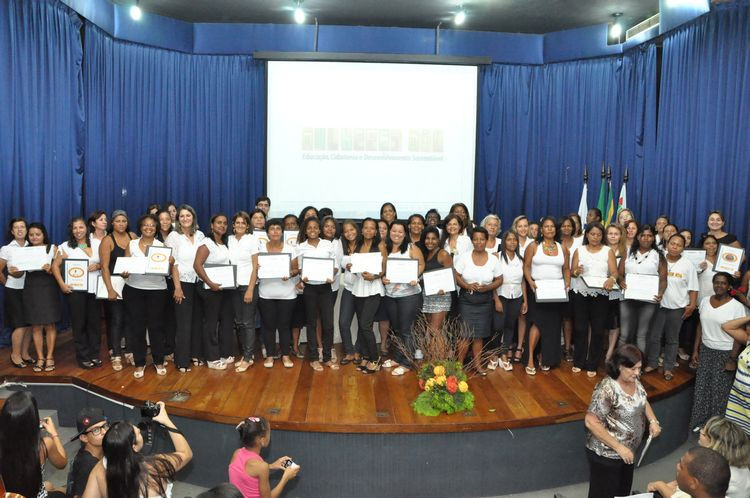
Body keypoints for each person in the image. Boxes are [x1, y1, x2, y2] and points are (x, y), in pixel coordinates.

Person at [584, 344, 661, 498]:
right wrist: (619, 447)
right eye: (633, 369)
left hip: (627, 453)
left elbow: (642, 400)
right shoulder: (607, 389)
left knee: (622, 494)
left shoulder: (634, 380)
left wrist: (653, 420)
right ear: (620, 366)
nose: (637, 373)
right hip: (607, 455)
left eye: (639, 368)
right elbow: (590, 422)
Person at [82, 402, 192, 498]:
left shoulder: (100, 467)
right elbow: (186, 453)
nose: (139, 430)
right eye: (138, 433)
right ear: (133, 447)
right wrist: (166, 421)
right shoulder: (155, 467)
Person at [689, 272, 748, 429]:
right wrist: (696, 350)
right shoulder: (705, 301)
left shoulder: (737, 307)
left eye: (723, 283)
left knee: (719, 393)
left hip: (725, 353)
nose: (719, 286)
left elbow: (739, 336)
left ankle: (716, 430)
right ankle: (700, 423)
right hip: (707, 350)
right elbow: (700, 326)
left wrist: (732, 359)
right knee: (702, 388)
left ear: (729, 286)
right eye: (716, 282)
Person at [123, 214, 176, 378]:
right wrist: (124, 272)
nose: (149, 228)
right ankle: (139, 363)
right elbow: (125, 270)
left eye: (152, 225)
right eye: (145, 225)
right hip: (134, 289)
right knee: (137, 327)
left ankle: (158, 360)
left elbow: (168, 271)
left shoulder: (162, 247)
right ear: (140, 227)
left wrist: (170, 263)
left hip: (157, 291)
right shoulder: (131, 244)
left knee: (156, 327)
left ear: (156, 228)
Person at [648, 416, 750, 498]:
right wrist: (673, 484)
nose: (700, 431)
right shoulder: (732, 464)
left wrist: (659, 485)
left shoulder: (720, 474)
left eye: (705, 434)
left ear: (716, 444)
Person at [645, 233, 698, 381]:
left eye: (678, 245)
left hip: (677, 307)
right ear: (667, 244)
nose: (674, 247)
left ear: (683, 247)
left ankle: (668, 367)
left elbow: (693, 288)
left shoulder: (688, 265)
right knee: (654, 337)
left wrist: (692, 305)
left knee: (672, 339)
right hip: (658, 305)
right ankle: (653, 363)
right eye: (672, 243)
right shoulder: (658, 259)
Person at [52, 217, 102, 369]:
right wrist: (62, 284)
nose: (78, 230)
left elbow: (105, 263)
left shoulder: (98, 243)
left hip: (95, 289)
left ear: (86, 228)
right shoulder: (65, 246)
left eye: (81, 227)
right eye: (75, 228)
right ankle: (83, 357)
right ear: (71, 230)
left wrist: (98, 265)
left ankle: (94, 354)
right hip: (75, 291)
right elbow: (55, 267)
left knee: (94, 324)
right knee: (79, 325)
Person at [523, 216, 571, 374]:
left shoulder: (562, 246)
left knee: (552, 327)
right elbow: (527, 266)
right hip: (537, 290)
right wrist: (530, 281)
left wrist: (567, 282)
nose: (550, 229)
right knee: (537, 324)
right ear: (541, 230)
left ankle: (546, 358)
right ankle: (530, 358)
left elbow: (566, 269)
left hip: (556, 292)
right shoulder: (534, 246)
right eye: (546, 226)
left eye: (552, 226)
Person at [570, 223, 618, 376]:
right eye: (592, 234)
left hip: (601, 295)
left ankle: (592, 364)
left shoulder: (608, 251)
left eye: (598, 234)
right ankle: (578, 361)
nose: (595, 237)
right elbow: (572, 273)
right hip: (581, 293)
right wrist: (577, 271)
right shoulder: (579, 250)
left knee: (598, 330)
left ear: (602, 236)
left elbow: (615, 272)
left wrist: (611, 279)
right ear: (587, 235)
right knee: (580, 329)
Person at [454, 227, 503, 374]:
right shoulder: (464, 257)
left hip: (485, 301)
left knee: (479, 335)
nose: (479, 242)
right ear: (472, 240)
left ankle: (477, 365)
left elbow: (500, 279)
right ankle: (459, 366)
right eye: (475, 239)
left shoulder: (494, 259)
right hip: (466, 300)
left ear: (486, 240)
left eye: (482, 239)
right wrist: (467, 285)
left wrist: (488, 288)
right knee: (464, 335)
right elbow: (456, 276)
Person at [0, 391, 67, 498]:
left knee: (49, 485)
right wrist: (54, 434)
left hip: (11, 495)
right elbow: (62, 462)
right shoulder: (44, 444)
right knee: (63, 491)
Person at [381, 220, 425, 375]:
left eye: (400, 231)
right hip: (391, 294)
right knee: (397, 328)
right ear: (389, 232)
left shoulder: (411, 248)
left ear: (405, 233)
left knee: (407, 330)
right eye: (394, 231)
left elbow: (421, 265)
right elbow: (383, 270)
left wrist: (415, 276)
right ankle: (398, 358)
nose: (397, 234)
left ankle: (407, 363)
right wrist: (383, 278)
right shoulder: (385, 248)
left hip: (409, 295)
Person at [194, 214, 236, 370]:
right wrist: (210, 283)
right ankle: (212, 358)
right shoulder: (207, 242)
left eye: (225, 223)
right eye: (219, 223)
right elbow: (197, 265)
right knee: (211, 323)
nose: (222, 225)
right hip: (210, 289)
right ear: (211, 225)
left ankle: (224, 353)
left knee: (226, 322)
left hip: (224, 289)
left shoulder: (224, 243)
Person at [166, 205, 206, 372]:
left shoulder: (201, 235)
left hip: (199, 282)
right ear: (178, 219)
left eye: (188, 215)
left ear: (193, 217)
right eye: (181, 216)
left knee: (198, 321)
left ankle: (196, 354)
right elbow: (173, 264)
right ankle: (182, 361)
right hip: (182, 283)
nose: (184, 218)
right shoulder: (173, 236)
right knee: (183, 324)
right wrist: (177, 287)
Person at [296, 217, 339, 371]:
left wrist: (331, 274)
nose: (312, 230)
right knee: (312, 323)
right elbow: (300, 268)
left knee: (328, 324)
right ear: (305, 231)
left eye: (315, 227)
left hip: (325, 288)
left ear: (320, 230)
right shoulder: (301, 247)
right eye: (309, 228)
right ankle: (314, 358)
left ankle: (327, 357)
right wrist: (303, 276)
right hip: (310, 289)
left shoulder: (327, 244)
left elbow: (335, 266)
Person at [257, 219, 301, 370]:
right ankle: (270, 355)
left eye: (278, 229)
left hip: (287, 294)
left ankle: (285, 355)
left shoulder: (290, 248)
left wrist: (290, 273)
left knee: (284, 326)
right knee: (268, 326)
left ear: (282, 232)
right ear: (267, 232)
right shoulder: (260, 248)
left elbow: (296, 269)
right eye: (272, 229)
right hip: (266, 293)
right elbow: (255, 268)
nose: (275, 231)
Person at [618, 224, 667, 352]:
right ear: (637, 237)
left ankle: (638, 368)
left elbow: (663, 280)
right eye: (643, 235)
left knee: (641, 335)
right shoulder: (627, 252)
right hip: (627, 298)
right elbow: (619, 273)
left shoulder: (659, 255)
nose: (646, 238)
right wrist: (621, 281)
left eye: (649, 235)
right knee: (624, 334)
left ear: (653, 238)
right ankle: (619, 365)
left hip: (648, 300)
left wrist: (660, 293)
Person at [99, 210, 137, 371]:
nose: (121, 224)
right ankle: (115, 354)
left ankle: (129, 351)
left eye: (124, 221)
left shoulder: (133, 237)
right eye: (118, 221)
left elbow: (139, 260)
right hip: (114, 285)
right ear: (112, 223)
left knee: (130, 319)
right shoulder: (107, 240)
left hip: (131, 284)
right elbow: (104, 267)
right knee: (116, 320)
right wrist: (110, 289)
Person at [349, 218, 387, 374]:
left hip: (373, 288)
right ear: (362, 230)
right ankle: (365, 356)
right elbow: (355, 266)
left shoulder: (380, 245)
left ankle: (375, 358)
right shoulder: (357, 245)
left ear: (376, 231)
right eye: (366, 228)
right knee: (362, 325)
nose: (369, 230)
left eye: (372, 228)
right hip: (359, 288)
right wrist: (352, 266)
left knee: (365, 324)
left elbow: (384, 269)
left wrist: (375, 276)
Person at [228, 417, 300, 498]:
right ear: (262, 440)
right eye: (269, 433)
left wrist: (272, 466)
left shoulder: (237, 453)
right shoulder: (262, 467)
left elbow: (247, 474)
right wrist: (285, 478)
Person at [24, 222, 61, 372]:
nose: (34, 237)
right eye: (31, 234)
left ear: (43, 234)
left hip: (48, 287)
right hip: (31, 288)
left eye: (37, 234)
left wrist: (50, 270)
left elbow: (60, 270)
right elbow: (19, 273)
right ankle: (40, 357)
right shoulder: (23, 251)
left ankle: (50, 356)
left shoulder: (52, 248)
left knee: (50, 324)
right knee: (36, 325)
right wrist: (14, 271)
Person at [228, 211, 260, 372]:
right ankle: (245, 355)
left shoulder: (252, 240)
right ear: (233, 225)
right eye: (237, 222)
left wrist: (250, 289)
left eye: (243, 223)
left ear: (248, 226)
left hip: (248, 287)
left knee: (248, 323)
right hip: (232, 287)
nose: (240, 225)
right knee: (239, 322)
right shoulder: (229, 240)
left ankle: (248, 357)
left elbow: (256, 266)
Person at [0, 217, 32, 368]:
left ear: (26, 230)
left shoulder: (32, 247)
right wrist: (7, 284)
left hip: (31, 290)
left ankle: (25, 353)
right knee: (19, 325)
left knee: (30, 324)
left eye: (22, 227)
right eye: (16, 227)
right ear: (12, 231)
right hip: (14, 291)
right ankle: (15, 355)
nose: (20, 230)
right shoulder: (7, 249)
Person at [493, 230, 527, 371]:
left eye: (515, 240)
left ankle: (504, 354)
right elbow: (493, 280)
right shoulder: (496, 257)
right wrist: (496, 300)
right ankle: (495, 354)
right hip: (501, 295)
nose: (512, 242)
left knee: (510, 326)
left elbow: (523, 281)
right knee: (498, 326)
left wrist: (525, 301)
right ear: (503, 242)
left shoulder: (521, 259)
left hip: (517, 296)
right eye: (509, 239)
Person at [66, 408, 109, 498]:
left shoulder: (100, 452)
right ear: (84, 438)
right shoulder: (87, 464)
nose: (104, 432)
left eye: (105, 426)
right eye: (96, 430)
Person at [417, 226, 452, 333]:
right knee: (430, 330)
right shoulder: (425, 253)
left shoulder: (443, 254)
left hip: (441, 296)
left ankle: (441, 351)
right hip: (427, 296)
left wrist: (444, 288)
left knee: (435, 330)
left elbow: (451, 275)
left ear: (438, 240)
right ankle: (433, 350)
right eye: (427, 238)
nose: (430, 241)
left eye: (433, 239)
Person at [720, 315, 750, 435]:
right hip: (738, 398)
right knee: (738, 436)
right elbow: (727, 326)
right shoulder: (748, 341)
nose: (748, 328)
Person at [338, 220, 361, 364]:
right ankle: (349, 351)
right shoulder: (342, 246)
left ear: (357, 230)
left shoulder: (365, 245)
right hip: (348, 288)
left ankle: (358, 350)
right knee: (343, 322)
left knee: (363, 323)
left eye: (351, 230)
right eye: (346, 231)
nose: (349, 233)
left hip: (363, 289)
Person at [559, 216, 580, 362]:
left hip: (573, 286)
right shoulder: (553, 242)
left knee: (568, 318)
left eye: (569, 226)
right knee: (554, 319)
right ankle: (554, 346)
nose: (566, 228)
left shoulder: (579, 243)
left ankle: (567, 348)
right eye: (563, 226)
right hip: (554, 285)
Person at [604, 224, 626, 362]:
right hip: (599, 291)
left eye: (616, 234)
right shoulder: (600, 249)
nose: (612, 236)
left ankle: (609, 352)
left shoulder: (626, 251)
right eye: (610, 233)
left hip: (617, 293)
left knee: (614, 322)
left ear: (621, 236)